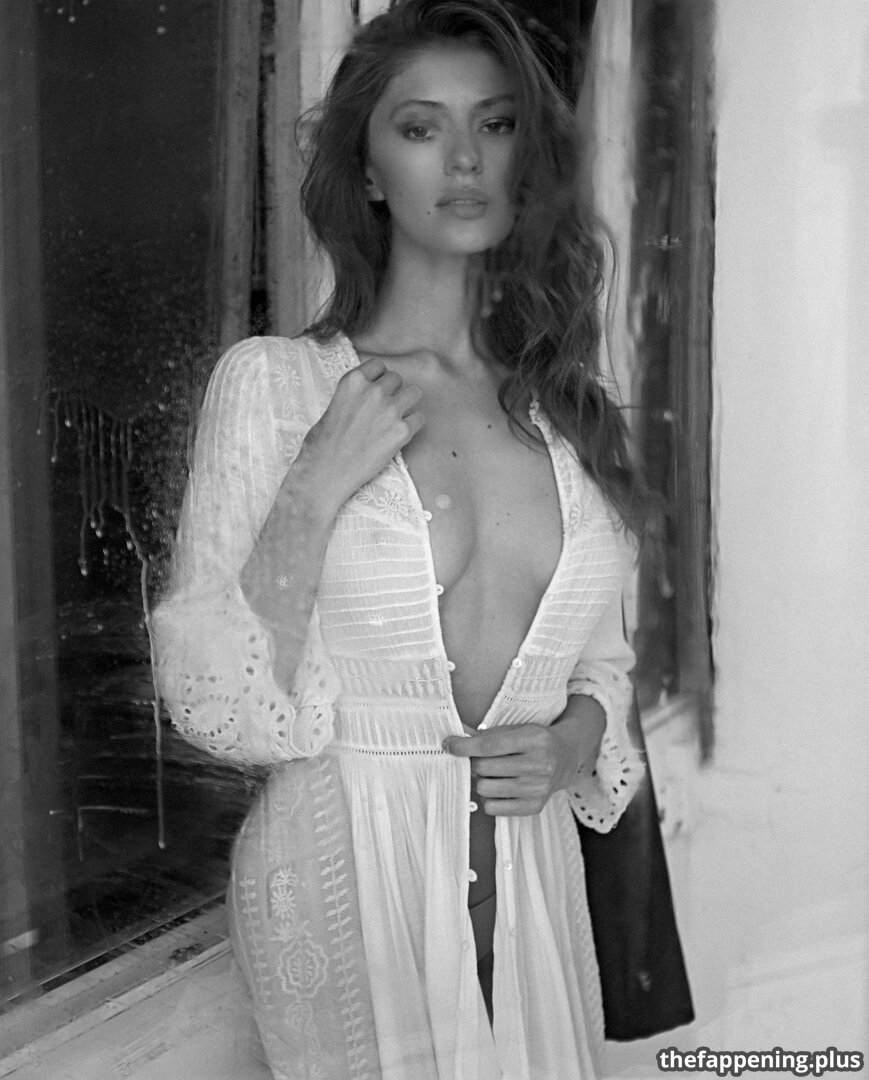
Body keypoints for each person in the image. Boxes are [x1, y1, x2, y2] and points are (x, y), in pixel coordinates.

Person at [151, 1, 647, 1076]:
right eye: (420, 128)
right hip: (342, 881)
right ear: (368, 171)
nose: (464, 158)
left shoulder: (570, 413)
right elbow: (212, 702)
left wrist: (569, 743)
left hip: (533, 884)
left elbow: (603, 662)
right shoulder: (279, 388)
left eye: (496, 124)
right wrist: (314, 485)